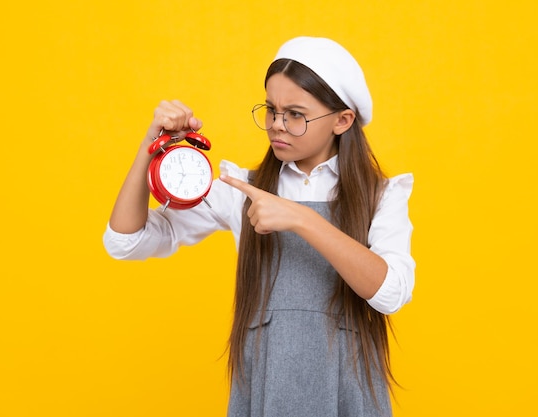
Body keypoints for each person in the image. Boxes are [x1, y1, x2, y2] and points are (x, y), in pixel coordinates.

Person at [103, 36, 415, 417]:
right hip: (267, 391)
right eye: (271, 109)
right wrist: (150, 146)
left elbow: (391, 292)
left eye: (296, 114)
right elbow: (125, 241)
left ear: (342, 120)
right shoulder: (242, 190)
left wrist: (301, 219)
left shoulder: (381, 195)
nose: (277, 126)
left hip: (346, 394)